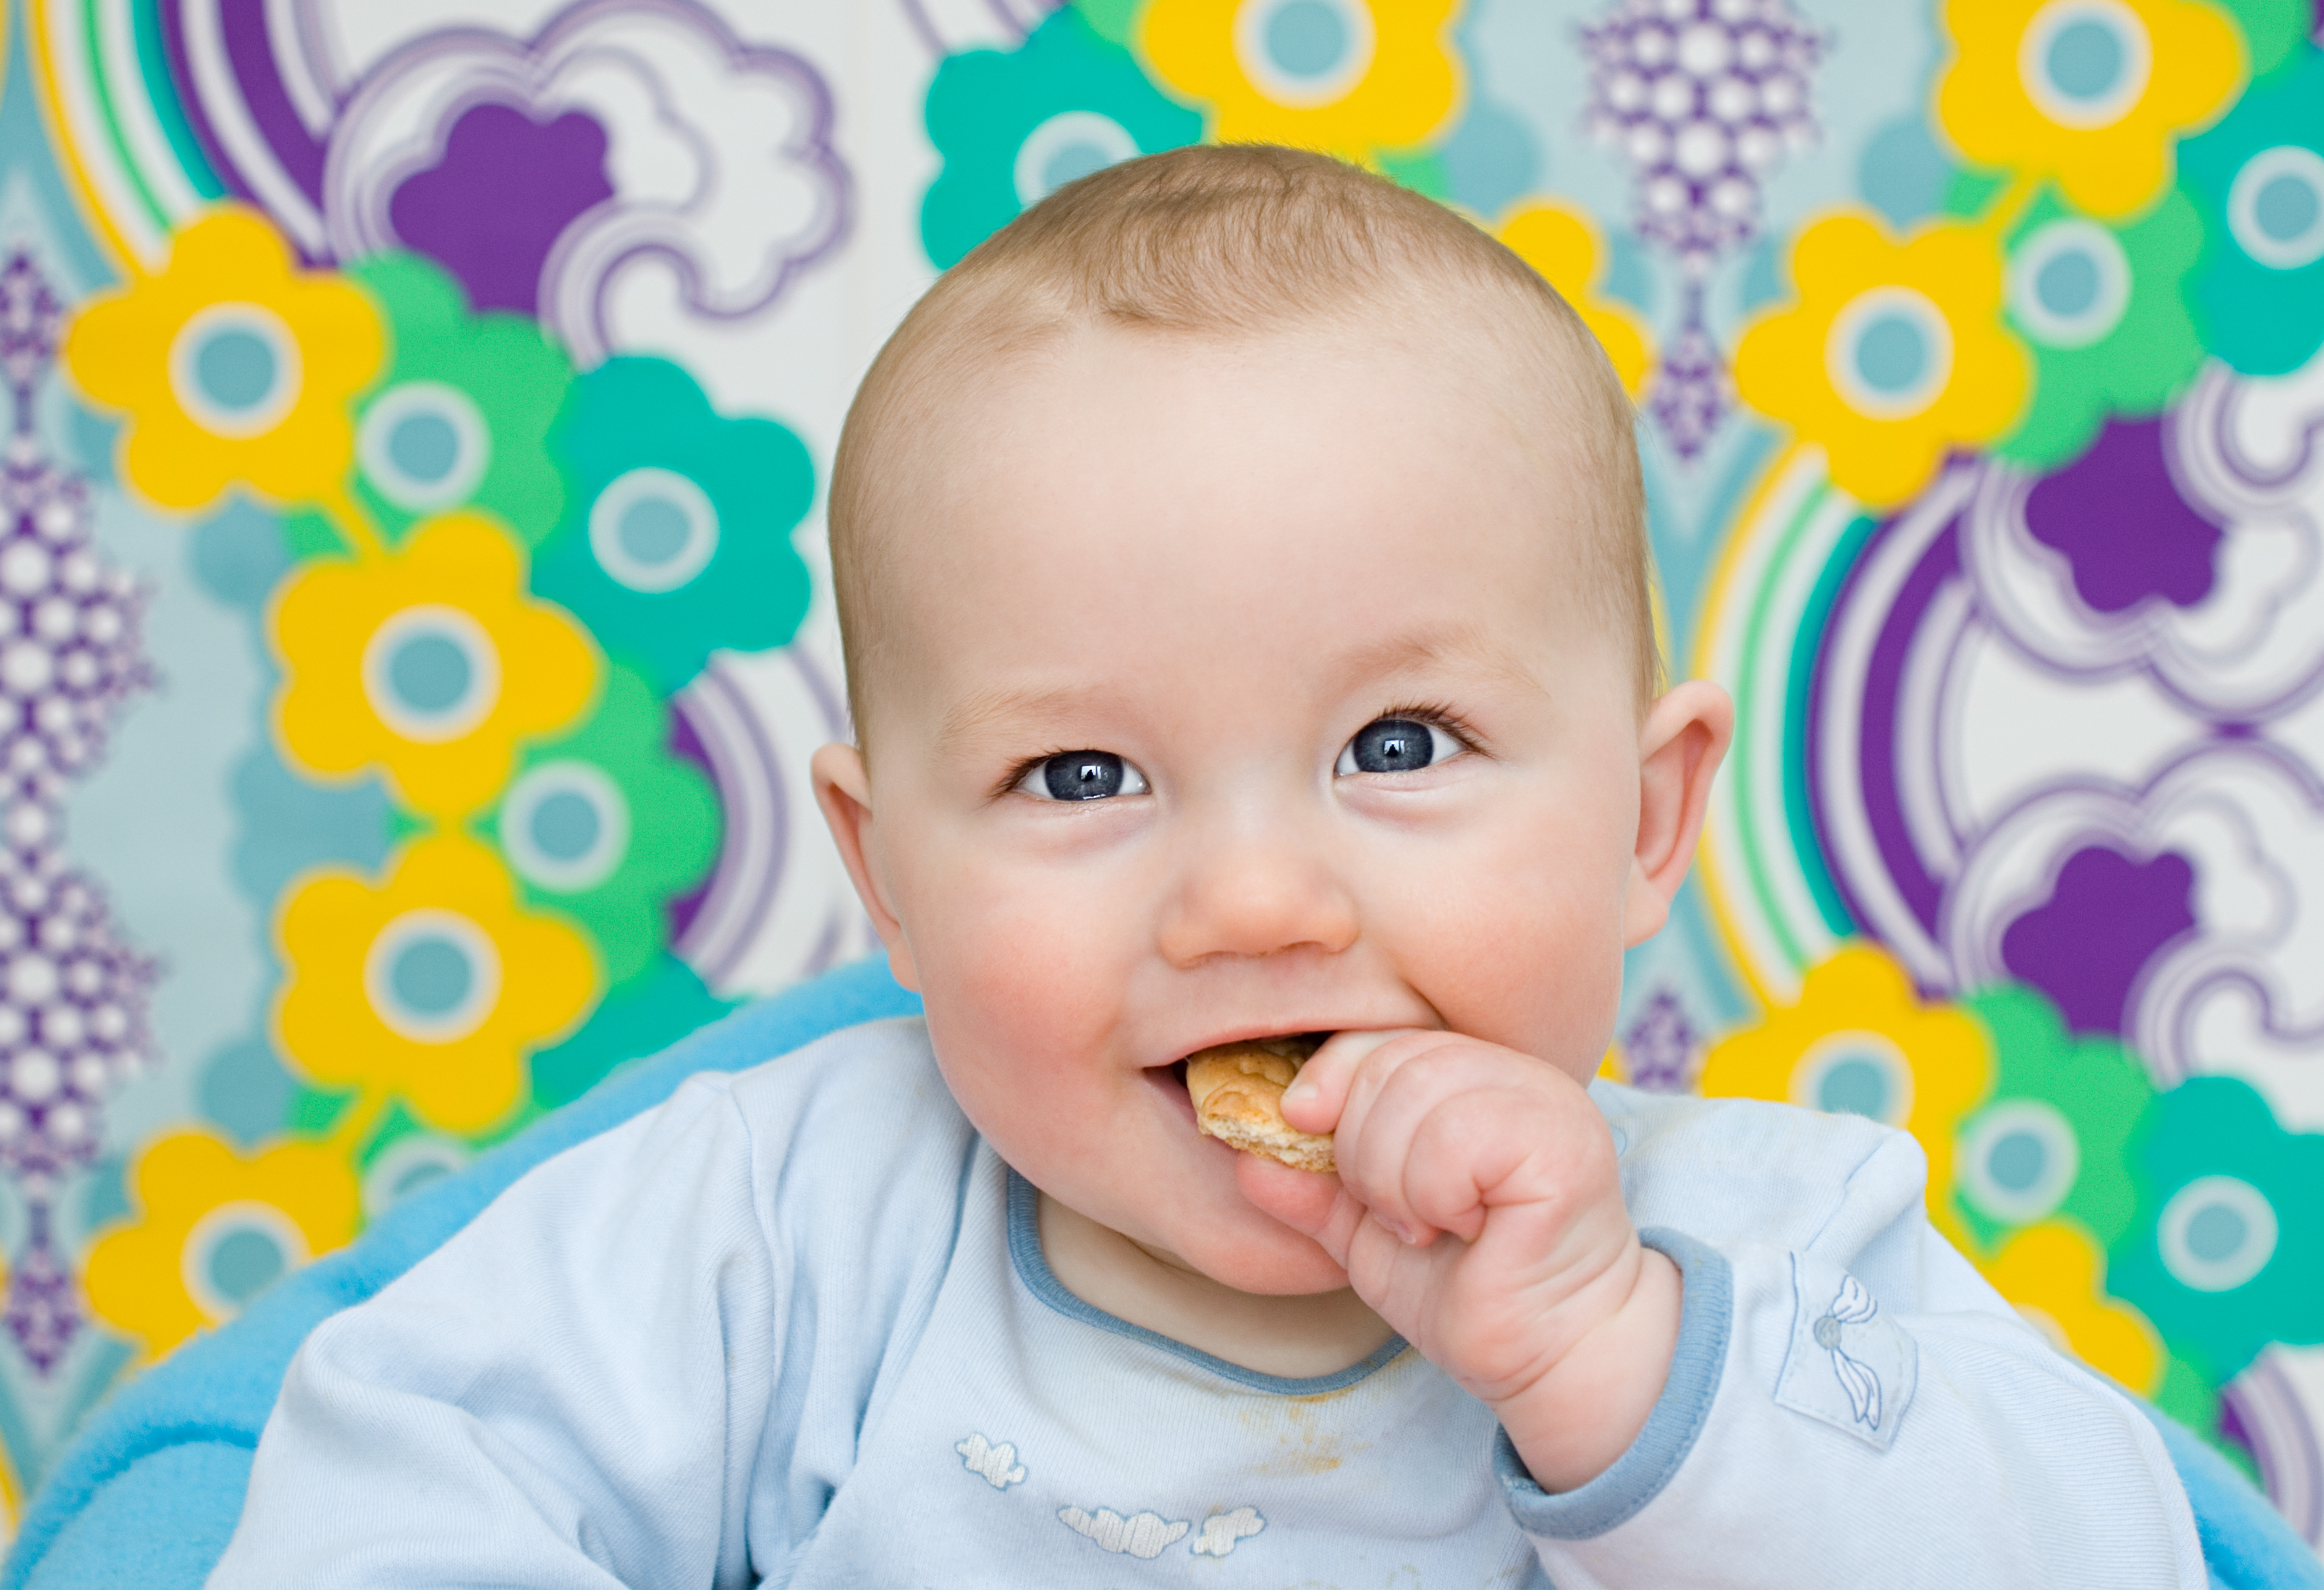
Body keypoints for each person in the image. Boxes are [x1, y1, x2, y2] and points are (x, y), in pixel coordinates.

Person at [208, 144, 2203, 1586]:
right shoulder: (783, 1221)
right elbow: (377, 1483)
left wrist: (1612, 1353)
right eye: (1081, 770)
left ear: (1646, 819)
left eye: (1398, 746)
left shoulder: (1771, 1255)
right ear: (890, 876)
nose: (1254, 901)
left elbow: (2129, 1560)